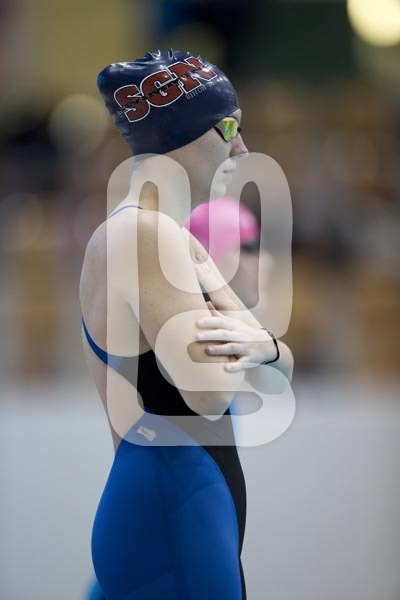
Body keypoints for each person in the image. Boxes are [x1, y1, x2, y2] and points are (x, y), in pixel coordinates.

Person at [80, 49, 293, 600]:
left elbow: (275, 372)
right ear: (178, 133)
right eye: (229, 128)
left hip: (179, 504)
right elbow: (208, 393)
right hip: (174, 508)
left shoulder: (150, 235)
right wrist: (258, 341)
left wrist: (260, 344)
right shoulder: (146, 234)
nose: (242, 148)